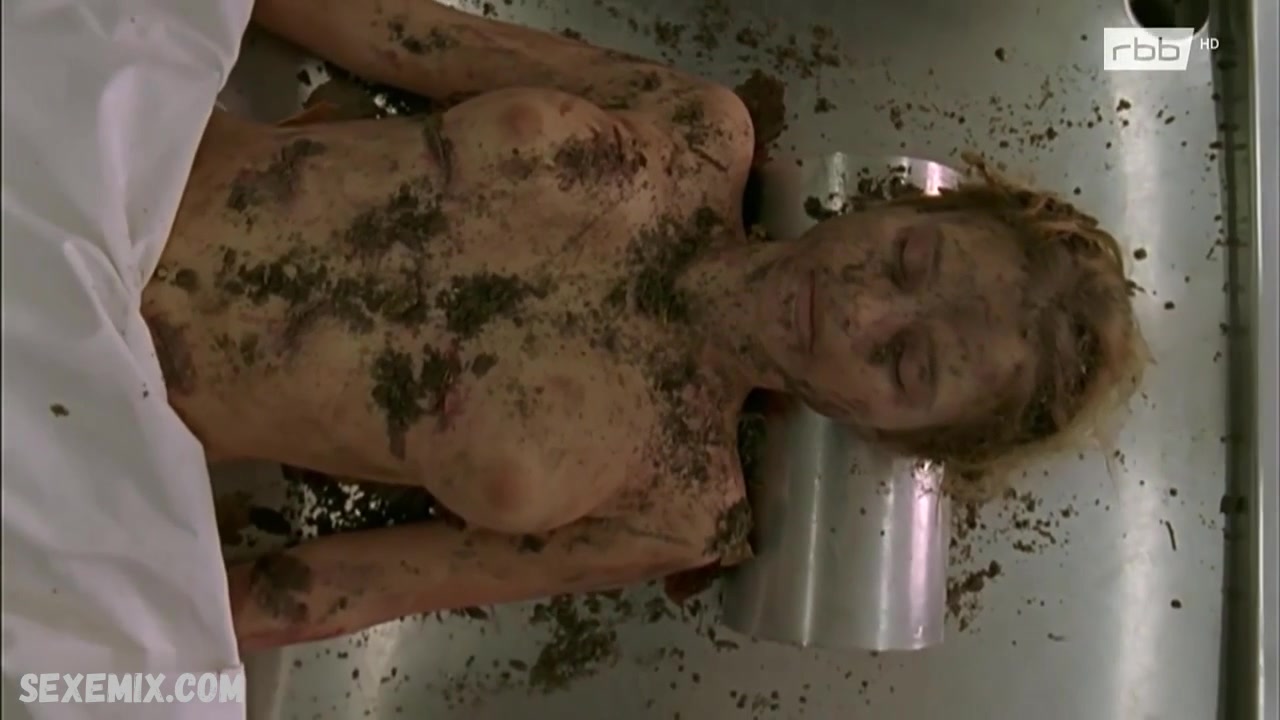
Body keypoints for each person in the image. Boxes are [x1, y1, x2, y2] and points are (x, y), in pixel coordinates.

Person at [142, 0, 1147, 651]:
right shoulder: (695, 129)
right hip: (114, 172)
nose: (857, 308)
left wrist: (112, 664)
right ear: (902, 207)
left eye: (903, 361)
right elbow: (401, 32)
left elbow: (335, 590)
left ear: (889, 433)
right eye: (908, 260)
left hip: (103, 408)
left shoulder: (678, 509)